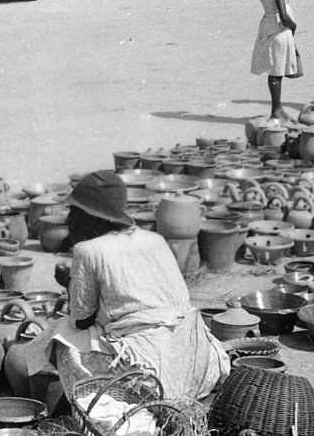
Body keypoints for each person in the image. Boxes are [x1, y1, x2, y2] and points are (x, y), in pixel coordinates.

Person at [24, 170, 230, 402]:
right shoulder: (155, 239)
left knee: (61, 338)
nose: (69, 219)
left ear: (90, 215)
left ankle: (86, 399)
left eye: (74, 211)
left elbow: (80, 320)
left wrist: (70, 284)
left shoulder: (89, 250)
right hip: (196, 365)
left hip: (149, 380)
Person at [250, 0, 302, 121]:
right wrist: (293, 27)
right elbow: (284, 15)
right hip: (279, 29)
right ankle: (276, 109)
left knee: (274, 69)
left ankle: (276, 108)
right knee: (277, 71)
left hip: (267, 25)